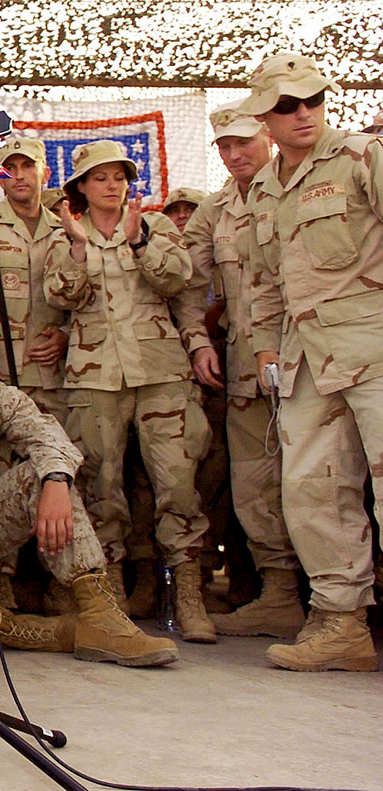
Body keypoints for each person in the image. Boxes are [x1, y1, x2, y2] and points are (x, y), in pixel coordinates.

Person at [0, 288, 177, 666]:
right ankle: (25, 631)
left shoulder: (0, 397)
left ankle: (100, 612)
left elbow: (47, 436)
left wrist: (57, 482)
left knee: (44, 474)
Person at [242, 53, 382, 672]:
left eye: (312, 100)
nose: (303, 113)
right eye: (286, 105)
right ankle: (342, 624)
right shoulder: (265, 189)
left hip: (373, 350)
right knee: (310, 492)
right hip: (306, 361)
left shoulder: (360, 158)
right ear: (264, 118)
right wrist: (267, 349)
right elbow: (265, 282)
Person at [44, 139, 215, 643]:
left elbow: (180, 281)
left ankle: (187, 591)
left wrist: (141, 244)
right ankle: (109, 595)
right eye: (100, 178)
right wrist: (77, 249)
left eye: (119, 176)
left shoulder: (156, 226)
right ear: (81, 187)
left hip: (161, 371)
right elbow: (59, 295)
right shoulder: (65, 233)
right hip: (95, 375)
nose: (112, 185)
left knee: (178, 483)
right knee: (101, 485)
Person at [174, 105, 304, 639]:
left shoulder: (303, 187)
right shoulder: (216, 210)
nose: (233, 156)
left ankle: (343, 605)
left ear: (268, 136)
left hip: (317, 366)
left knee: (325, 484)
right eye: (223, 147)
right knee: (254, 485)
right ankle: (282, 595)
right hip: (247, 373)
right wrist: (199, 340)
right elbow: (185, 282)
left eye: (242, 143)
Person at [0, 138, 70, 424]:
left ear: (45, 174)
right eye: (10, 168)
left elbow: (84, 298)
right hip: (0, 372)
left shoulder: (64, 231)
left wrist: (67, 333)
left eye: (28, 166)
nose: (18, 175)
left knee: (61, 460)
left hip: (57, 375)